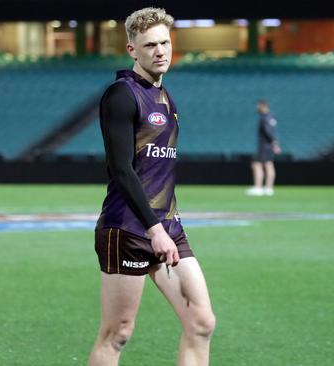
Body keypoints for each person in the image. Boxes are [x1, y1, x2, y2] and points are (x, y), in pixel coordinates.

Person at [89, 8, 215, 366]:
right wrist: (153, 227)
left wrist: (164, 226)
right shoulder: (121, 95)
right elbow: (122, 169)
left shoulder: (165, 97)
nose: (160, 51)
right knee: (118, 332)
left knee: (201, 322)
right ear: (132, 50)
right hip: (128, 228)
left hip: (167, 226)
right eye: (149, 45)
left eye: (164, 42)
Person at [247, 99, 281, 196]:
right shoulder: (271, 117)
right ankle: (269, 188)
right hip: (270, 146)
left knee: (256, 165)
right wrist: (275, 143)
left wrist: (274, 142)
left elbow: (268, 132)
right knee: (269, 165)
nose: (257, 108)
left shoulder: (264, 118)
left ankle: (258, 187)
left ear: (263, 106)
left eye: (258, 106)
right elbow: (274, 132)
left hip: (264, 146)